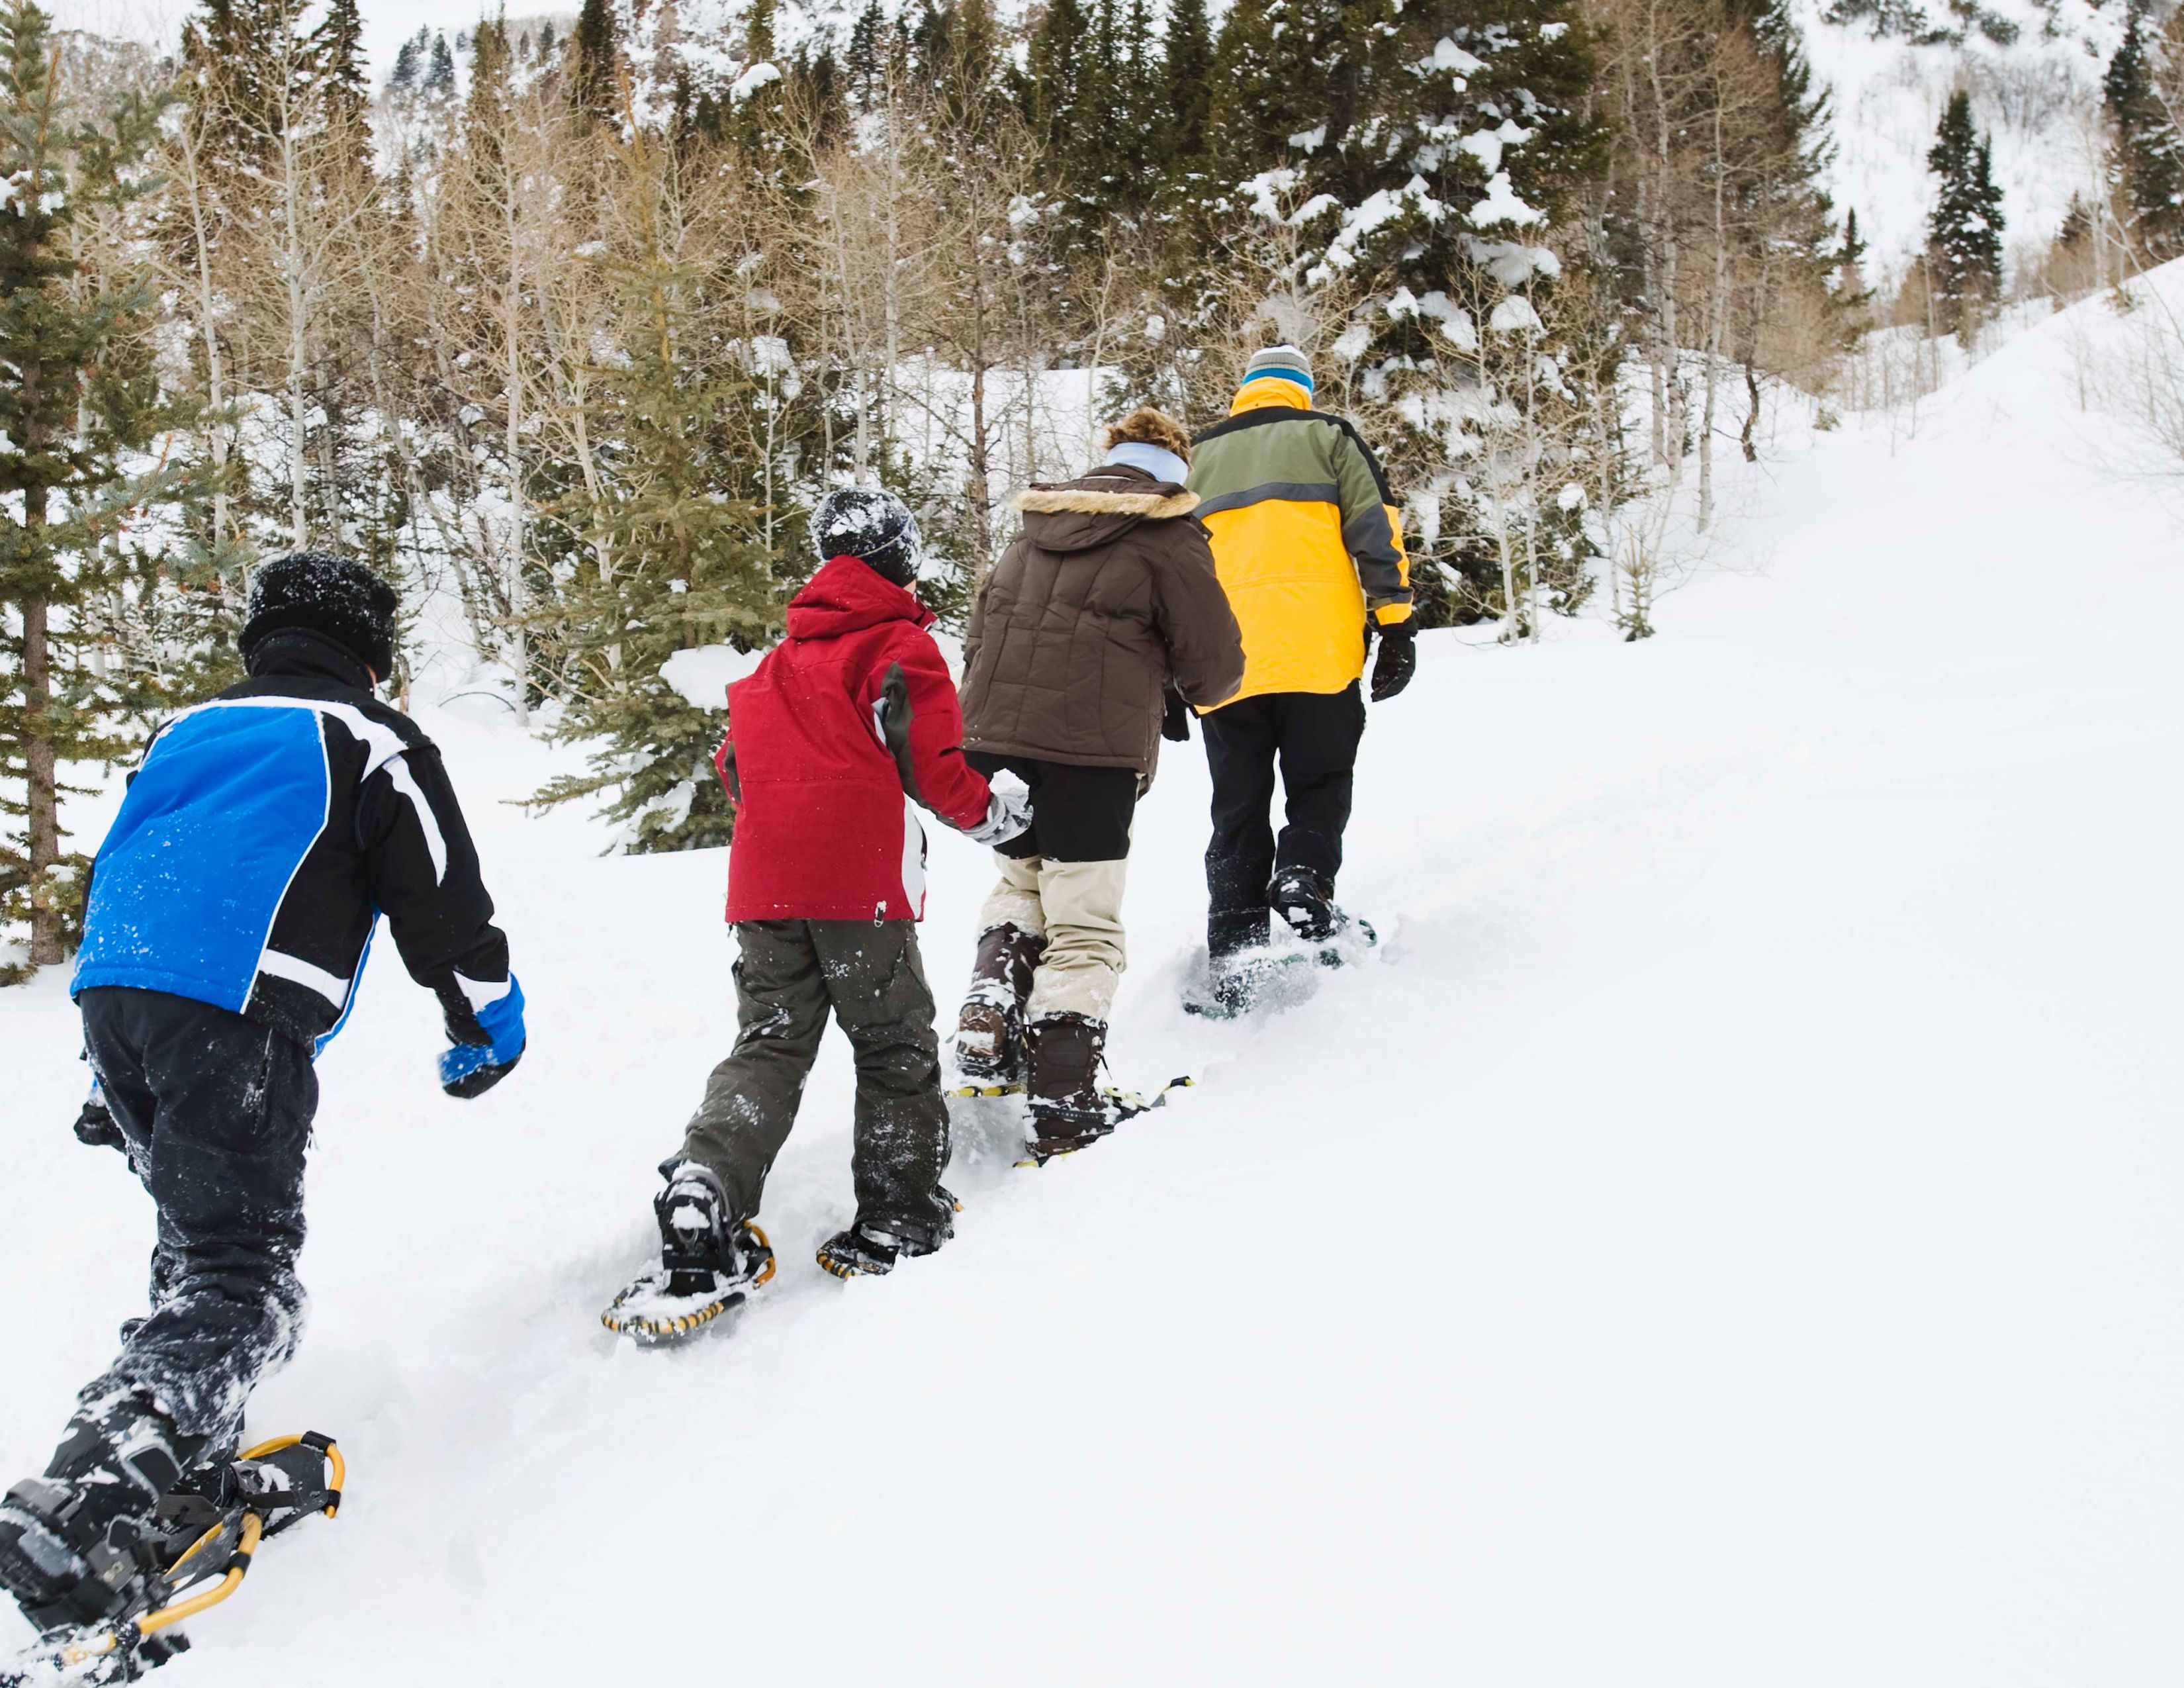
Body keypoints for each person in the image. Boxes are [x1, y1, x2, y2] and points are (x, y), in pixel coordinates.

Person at [0, 551, 524, 1636]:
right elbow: (442, 901)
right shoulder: (370, 740)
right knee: (245, 1284)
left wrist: (113, 1070)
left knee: (198, 1245)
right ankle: (103, 1485)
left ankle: (171, 1469)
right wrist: (486, 1020)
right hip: (232, 1012)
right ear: (370, 652)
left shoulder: (188, 732)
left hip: (122, 995)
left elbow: (133, 867)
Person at [605, 487, 1029, 1338]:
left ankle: (706, 1185)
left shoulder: (774, 662)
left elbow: (733, 766)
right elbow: (937, 765)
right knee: (894, 1043)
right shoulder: (897, 643)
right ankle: (899, 1213)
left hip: (763, 888)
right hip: (859, 888)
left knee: (768, 1044)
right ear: (900, 560)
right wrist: (1000, 818)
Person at [954, 408, 1244, 1158]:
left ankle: (990, 1008)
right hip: (1088, 757)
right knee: (1084, 921)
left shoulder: (1035, 526)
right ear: (1176, 471)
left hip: (992, 745)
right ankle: (1063, 1103)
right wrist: (1180, 688)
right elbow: (1215, 667)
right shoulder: (1169, 535)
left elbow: (979, 632)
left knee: (1022, 883)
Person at [1186, 346, 1417, 1010]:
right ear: (1301, 391)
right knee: (1319, 782)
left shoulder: (1197, 459)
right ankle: (1304, 878)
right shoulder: (1330, 437)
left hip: (1225, 668)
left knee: (1237, 807)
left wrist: (1169, 670)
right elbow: (1378, 531)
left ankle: (1233, 958)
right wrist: (1396, 622)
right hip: (1321, 655)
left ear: (1247, 392)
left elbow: (1166, 568)